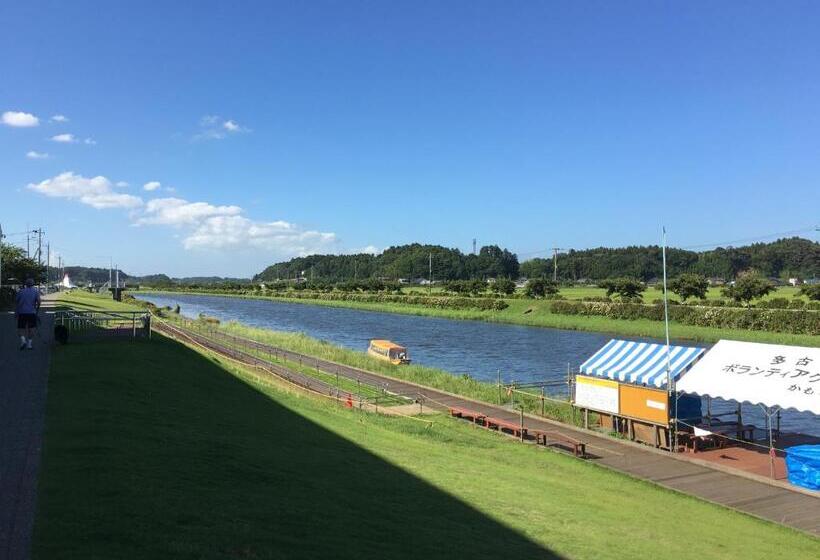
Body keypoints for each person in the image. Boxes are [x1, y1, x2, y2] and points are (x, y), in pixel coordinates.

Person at [15, 278, 41, 350]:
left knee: (20, 328)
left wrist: (16, 312)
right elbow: (39, 302)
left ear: (26, 284)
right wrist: (37, 310)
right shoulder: (35, 292)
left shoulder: (21, 291)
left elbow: (16, 302)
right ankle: (29, 344)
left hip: (22, 313)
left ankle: (23, 340)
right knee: (32, 328)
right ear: (33, 284)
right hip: (32, 313)